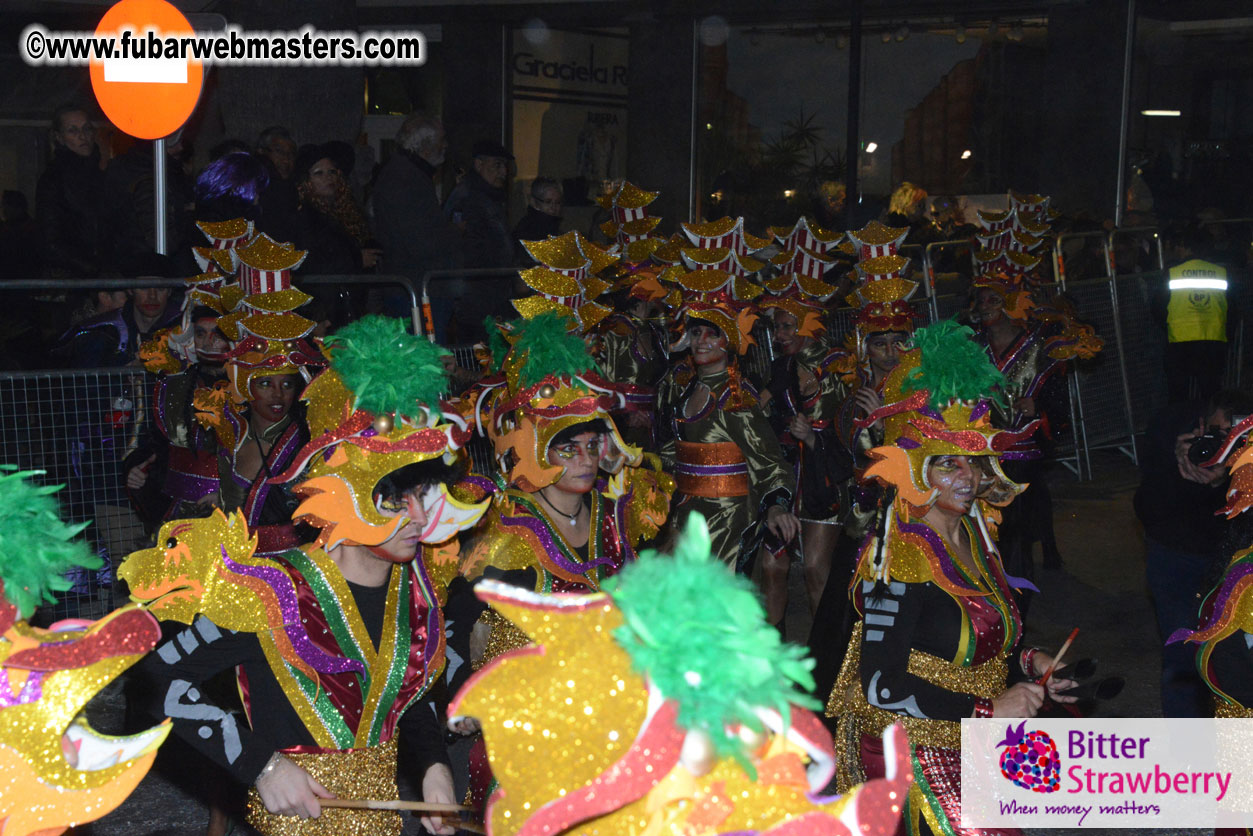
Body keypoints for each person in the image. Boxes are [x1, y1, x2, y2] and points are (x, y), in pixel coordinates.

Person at [122, 316, 488, 836]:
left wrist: (432, 768)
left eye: (426, 495)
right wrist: (260, 766)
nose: (418, 516)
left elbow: (406, 691)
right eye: (395, 498)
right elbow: (156, 679)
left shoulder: (416, 586)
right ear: (350, 491)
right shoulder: (272, 592)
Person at [825, 320, 1075, 836]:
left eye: (974, 463)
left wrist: (1030, 660)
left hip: (970, 735)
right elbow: (878, 684)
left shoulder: (978, 537)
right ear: (916, 470)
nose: (967, 478)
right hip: (913, 748)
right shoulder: (899, 560)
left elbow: (964, 638)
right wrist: (990, 708)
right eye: (948, 465)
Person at [450, 310, 673, 810]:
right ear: (533, 450)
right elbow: (460, 617)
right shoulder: (509, 534)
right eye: (567, 448)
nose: (585, 459)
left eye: (592, 445)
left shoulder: (616, 514)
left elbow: (658, 501)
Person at [660, 272, 799, 602]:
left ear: (730, 342)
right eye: (696, 332)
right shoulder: (690, 390)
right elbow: (678, 451)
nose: (701, 340)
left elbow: (767, 460)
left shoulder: (737, 399)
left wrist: (777, 506)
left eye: (712, 333)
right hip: (687, 514)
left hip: (726, 523)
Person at [1135, 388, 1252, 717]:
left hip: (1237, 565)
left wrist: (1228, 484)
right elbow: (1147, 511)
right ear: (1202, 421)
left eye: (1235, 436)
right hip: (1178, 560)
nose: (1224, 445)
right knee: (1182, 657)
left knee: (1237, 661)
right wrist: (1179, 470)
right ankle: (1188, 755)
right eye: (1217, 434)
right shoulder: (1175, 438)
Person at [758, 218, 848, 624]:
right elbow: (764, 415)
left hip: (821, 481)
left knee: (815, 571)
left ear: (810, 322)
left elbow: (848, 433)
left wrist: (812, 436)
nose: (779, 334)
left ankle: (825, 660)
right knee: (772, 569)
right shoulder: (779, 369)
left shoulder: (837, 366)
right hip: (785, 481)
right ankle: (768, 659)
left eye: (787, 325)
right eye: (776, 326)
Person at [370, 112, 460, 330]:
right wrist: (452, 233)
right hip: (417, 288)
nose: (445, 146)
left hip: (416, 286)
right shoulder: (405, 179)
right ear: (426, 147)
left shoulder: (406, 174)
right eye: (441, 141)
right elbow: (421, 240)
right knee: (425, 355)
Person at [292, 141, 378, 326]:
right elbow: (308, 261)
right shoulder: (304, 216)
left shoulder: (340, 212)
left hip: (343, 302)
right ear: (306, 181)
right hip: (323, 308)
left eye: (332, 172)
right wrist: (357, 259)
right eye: (319, 173)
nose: (328, 178)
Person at [1155, 223, 1235, 404]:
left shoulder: (1172, 273)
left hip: (1179, 342)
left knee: (1178, 396)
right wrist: (1227, 336)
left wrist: (1169, 327)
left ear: (1184, 246)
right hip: (1213, 341)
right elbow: (1232, 309)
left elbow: (1158, 307)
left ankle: (1181, 429)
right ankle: (1213, 429)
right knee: (1212, 394)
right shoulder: (1221, 272)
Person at [36, 105, 110, 279]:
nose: (82, 136)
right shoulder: (54, 180)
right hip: (70, 280)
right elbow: (50, 240)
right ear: (59, 137)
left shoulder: (100, 175)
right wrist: (93, 269)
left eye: (86, 129)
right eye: (73, 131)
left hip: (96, 274)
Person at [444, 139, 514, 270]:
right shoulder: (469, 198)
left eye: (505, 166)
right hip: (478, 282)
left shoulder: (486, 196)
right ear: (479, 164)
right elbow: (469, 248)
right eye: (497, 165)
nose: (503, 172)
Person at [511, 176, 564, 261]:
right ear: (534, 202)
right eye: (548, 202)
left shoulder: (552, 228)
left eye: (557, 202)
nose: (553, 207)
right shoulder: (528, 230)